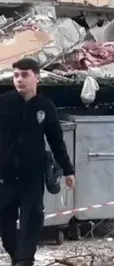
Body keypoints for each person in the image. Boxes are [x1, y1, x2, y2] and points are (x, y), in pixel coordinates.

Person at [0, 58, 75, 266]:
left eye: (25, 75)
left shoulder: (45, 107)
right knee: (5, 226)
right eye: (16, 75)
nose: (19, 80)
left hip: (32, 176)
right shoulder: (4, 103)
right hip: (5, 176)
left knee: (30, 222)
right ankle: (17, 257)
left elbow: (56, 141)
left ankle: (25, 261)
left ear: (37, 77)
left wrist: (68, 170)